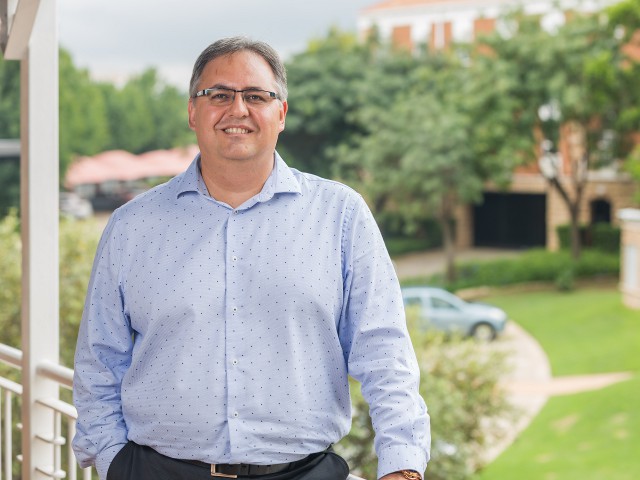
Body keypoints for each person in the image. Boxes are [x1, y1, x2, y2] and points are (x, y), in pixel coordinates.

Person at [72, 36, 430, 480]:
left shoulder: (340, 215)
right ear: (192, 111)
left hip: (305, 472)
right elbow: (99, 360)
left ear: (281, 113)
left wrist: (402, 465)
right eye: (219, 95)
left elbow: (384, 352)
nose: (237, 109)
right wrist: (113, 461)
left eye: (256, 96)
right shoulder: (132, 226)